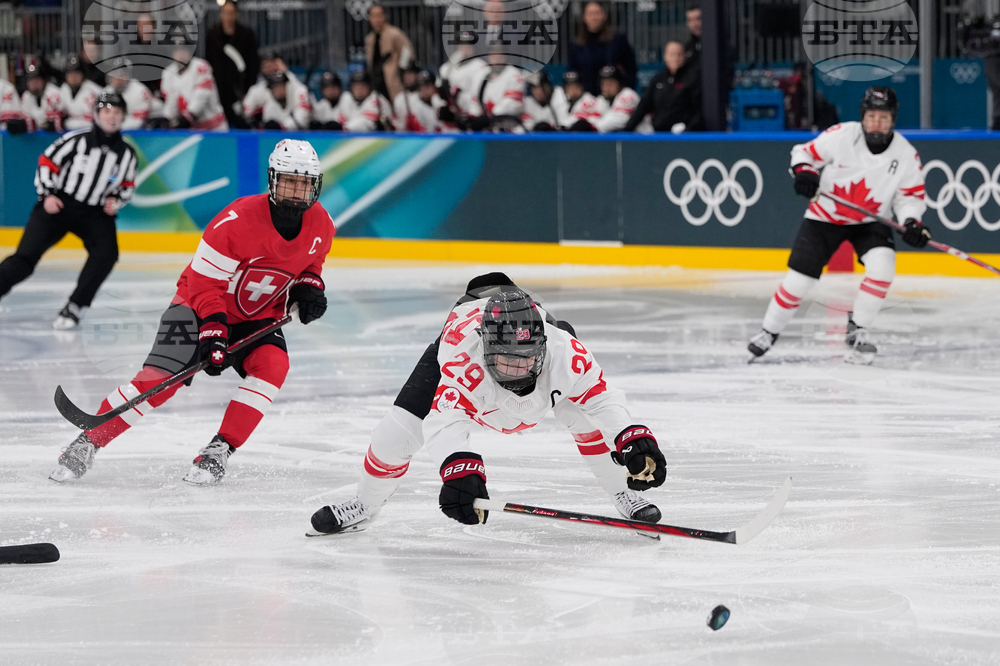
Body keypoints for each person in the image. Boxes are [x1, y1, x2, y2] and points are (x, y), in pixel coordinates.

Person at [49, 139, 335, 485]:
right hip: (194, 309)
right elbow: (204, 284)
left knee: (273, 366)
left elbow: (310, 261)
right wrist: (214, 330)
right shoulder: (235, 221)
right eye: (289, 181)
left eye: (304, 183)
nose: (296, 192)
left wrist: (310, 285)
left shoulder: (322, 224)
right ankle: (89, 440)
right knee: (157, 383)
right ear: (273, 180)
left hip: (257, 317)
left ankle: (220, 449)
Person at [309, 275, 668, 535]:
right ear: (485, 348)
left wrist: (630, 436)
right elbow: (444, 421)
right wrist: (459, 469)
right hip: (457, 339)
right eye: (505, 359)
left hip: (530, 340)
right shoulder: (462, 359)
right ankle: (365, 505)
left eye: (524, 358)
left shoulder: (565, 354)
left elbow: (603, 399)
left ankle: (623, 494)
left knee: (582, 414)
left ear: (542, 348)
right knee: (395, 435)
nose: (515, 368)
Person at [747, 87, 931, 364]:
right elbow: (802, 153)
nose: (876, 123)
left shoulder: (905, 154)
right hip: (824, 218)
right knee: (799, 282)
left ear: (893, 119)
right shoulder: (842, 135)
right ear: (862, 117)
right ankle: (768, 332)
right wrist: (804, 172)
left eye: (883, 117)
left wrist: (911, 222)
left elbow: (910, 197)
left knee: (883, 267)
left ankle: (857, 331)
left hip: (870, 221)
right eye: (871, 116)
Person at [0, 92, 136, 329]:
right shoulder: (76, 140)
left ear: (123, 117)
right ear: (97, 114)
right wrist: (47, 194)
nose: (111, 117)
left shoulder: (127, 153)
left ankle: (76, 306)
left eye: (116, 113)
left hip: (94, 212)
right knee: (24, 260)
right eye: (106, 112)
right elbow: (46, 162)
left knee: (106, 254)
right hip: (60, 204)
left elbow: (127, 186)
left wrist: (116, 201)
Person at [624, 41, 702, 133]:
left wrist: (687, 130)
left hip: (683, 136)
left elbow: (698, 110)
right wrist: (626, 131)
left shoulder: (692, 79)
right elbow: (643, 107)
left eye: (679, 54)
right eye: (672, 54)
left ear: (684, 56)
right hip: (659, 135)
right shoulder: (658, 79)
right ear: (665, 56)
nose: (675, 58)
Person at [205, 0, 260, 128]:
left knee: (242, 122)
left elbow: (253, 63)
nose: (228, 17)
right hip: (219, 89)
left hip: (240, 88)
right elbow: (209, 61)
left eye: (231, 13)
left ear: (236, 14)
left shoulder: (247, 34)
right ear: (221, 14)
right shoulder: (212, 35)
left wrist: (248, 88)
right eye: (225, 13)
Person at [567, 2, 637, 97]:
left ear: (604, 15)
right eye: (590, 14)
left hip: (614, 99)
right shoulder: (576, 45)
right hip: (586, 101)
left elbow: (631, 68)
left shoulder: (618, 40)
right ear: (584, 17)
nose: (594, 18)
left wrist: (625, 94)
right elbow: (573, 74)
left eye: (597, 13)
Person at [161, 48, 229, 131]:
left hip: (214, 128)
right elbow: (171, 99)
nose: (180, 55)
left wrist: (188, 116)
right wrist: (167, 117)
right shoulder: (168, 72)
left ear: (190, 53)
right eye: (177, 52)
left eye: (184, 51)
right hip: (191, 130)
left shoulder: (201, 66)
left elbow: (202, 96)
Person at [365, 3, 414, 102]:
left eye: (379, 15)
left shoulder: (394, 34)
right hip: (376, 82)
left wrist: (400, 70)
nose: (377, 20)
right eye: (373, 16)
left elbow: (408, 52)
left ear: (385, 16)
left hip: (393, 81)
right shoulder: (370, 38)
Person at [573, 65, 638, 132]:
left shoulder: (628, 95)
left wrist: (592, 127)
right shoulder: (602, 99)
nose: (606, 88)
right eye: (604, 84)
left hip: (643, 137)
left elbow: (619, 120)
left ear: (620, 84)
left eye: (610, 84)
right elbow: (595, 117)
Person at [105, 57, 152, 130]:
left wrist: (114, 127)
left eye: (121, 74)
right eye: (114, 74)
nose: (117, 78)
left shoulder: (140, 91)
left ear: (128, 75)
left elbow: (139, 121)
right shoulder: (106, 92)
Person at [60, 55, 103, 130]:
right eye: (70, 74)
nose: (73, 78)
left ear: (83, 75)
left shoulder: (94, 90)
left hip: (89, 131)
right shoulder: (63, 89)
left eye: (76, 74)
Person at [21, 61, 63, 132]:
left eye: (37, 80)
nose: (34, 83)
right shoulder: (26, 96)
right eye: (31, 80)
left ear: (44, 81)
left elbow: (55, 124)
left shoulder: (54, 94)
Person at [684, 7, 702, 72]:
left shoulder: (719, 44)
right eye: (690, 20)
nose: (695, 24)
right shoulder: (686, 48)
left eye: (698, 19)